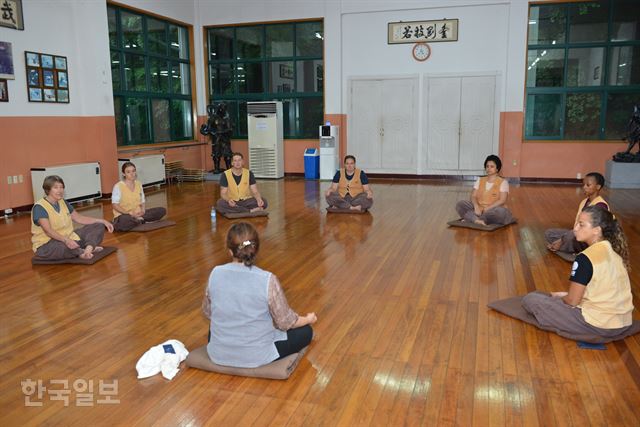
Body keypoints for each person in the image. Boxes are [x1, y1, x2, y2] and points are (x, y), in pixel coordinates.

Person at [201, 222, 317, 368]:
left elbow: (208, 312)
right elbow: (285, 322)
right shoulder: (267, 279)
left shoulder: (215, 273)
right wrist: (307, 319)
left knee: (215, 328)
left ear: (230, 251)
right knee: (305, 332)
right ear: (256, 249)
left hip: (218, 353)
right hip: (256, 355)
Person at [522, 206, 634, 341]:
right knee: (552, 297)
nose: (575, 228)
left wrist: (563, 298)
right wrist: (564, 295)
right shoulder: (614, 251)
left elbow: (572, 301)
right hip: (624, 321)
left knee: (532, 299)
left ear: (597, 230)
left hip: (600, 325)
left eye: (581, 225)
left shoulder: (584, 258)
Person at [31, 175, 114, 260]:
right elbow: (48, 231)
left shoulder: (62, 202)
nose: (60, 190)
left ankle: (88, 250)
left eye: (61, 187)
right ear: (47, 190)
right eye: (56, 187)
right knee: (62, 246)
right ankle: (80, 252)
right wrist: (66, 240)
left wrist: (103, 221)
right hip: (48, 244)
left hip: (69, 238)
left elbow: (79, 218)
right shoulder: (40, 207)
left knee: (98, 225)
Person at [545, 172, 609, 254]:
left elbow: (593, 232)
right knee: (549, 233)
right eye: (584, 185)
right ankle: (569, 249)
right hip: (578, 234)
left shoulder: (601, 205)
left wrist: (562, 240)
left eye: (588, 185)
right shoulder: (584, 202)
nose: (584, 187)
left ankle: (563, 248)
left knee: (569, 236)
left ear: (598, 187)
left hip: (590, 240)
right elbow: (577, 227)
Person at [455, 154, 513, 226]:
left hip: (493, 210)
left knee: (502, 212)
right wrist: (476, 207)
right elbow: (473, 196)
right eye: (487, 166)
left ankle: (473, 218)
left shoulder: (503, 182)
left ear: (497, 169)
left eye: (492, 167)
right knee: (460, 204)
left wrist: (487, 209)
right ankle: (477, 220)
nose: (489, 168)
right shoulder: (480, 180)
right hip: (479, 209)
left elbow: (502, 200)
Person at [111, 162, 167, 232]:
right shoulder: (118, 186)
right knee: (124, 222)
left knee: (162, 210)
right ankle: (139, 220)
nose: (132, 174)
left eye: (133, 171)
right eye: (128, 172)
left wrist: (143, 210)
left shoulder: (138, 184)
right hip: (124, 215)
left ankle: (139, 220)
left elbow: (142, 200)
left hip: (138, 213)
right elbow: (115, 205)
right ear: (123, 174)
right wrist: (128, 213)